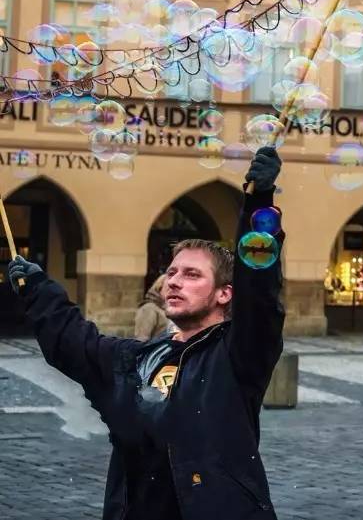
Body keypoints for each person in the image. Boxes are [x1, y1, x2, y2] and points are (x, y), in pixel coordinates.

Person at [4, 147, 285, 520]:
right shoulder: (137, 359)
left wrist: (257, 203)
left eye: (191, 275)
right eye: (171, 272)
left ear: (224, 294)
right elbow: (76, 345)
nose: (174, 281)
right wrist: (38, 289)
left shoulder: (238, 355)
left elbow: (259, 291)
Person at [134, 274, 176, 341]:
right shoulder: (149, 309)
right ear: (159, 288)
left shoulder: (172, 309)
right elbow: (142, 338)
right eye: (168, 288)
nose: (171, 292)